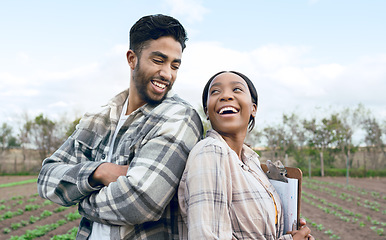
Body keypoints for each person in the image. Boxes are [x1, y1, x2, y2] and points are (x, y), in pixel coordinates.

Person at [37, 14, 203, 240]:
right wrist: (99, 172)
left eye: (175, 65)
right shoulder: (99, 118)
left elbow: (141, 202)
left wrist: (79, 198)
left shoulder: (179, 116)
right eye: (158, 60)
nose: (167, 73)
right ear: (132, 59)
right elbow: (46, 178)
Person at [178, 71, 314, 240]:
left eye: (236, 89)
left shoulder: (252, 163)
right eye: (215, 92)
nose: (226, 96)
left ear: (253, 109)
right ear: (207, 111)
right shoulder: (211, 151)